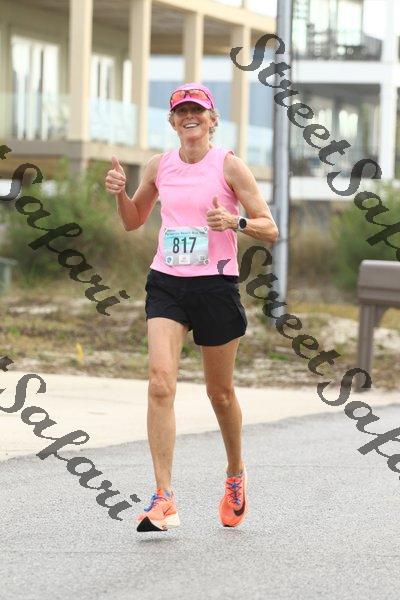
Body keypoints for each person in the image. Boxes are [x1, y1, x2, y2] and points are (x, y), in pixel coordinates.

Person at [105, 82, 278, 532]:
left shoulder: (230, 165)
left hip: (215, 285)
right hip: (167, 283)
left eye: (197, 110)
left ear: (212, 119)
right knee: (160, 382)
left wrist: (235, 221)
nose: (189, 117)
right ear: (172, 120)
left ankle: (235, 474)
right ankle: (164, 498)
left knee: (219, 394)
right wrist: (120, 194)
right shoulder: (158, 166)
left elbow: (270, 228)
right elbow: (133, 221)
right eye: (181, 111)